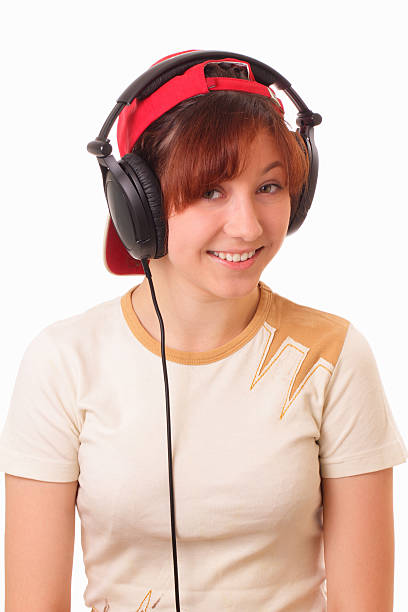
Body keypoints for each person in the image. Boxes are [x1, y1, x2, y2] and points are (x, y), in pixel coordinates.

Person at [0, 50, 407, 612]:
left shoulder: (332, 355)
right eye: (211, 190)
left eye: (269, 187)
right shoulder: (63, 363)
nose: (246, 227)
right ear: (136, 203)